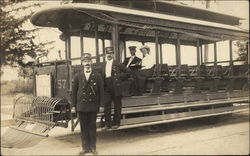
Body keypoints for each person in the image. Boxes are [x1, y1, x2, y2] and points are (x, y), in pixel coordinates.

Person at [72, 53, 104, 155]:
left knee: (92, 127)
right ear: (82, 63)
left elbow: (101, 92)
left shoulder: (97, 76)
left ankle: (93, 148)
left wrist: (102, 105)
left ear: (91, 62)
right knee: (83, 128)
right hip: (81, 106)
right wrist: (73, 106)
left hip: (93, 106)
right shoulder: (78, 76)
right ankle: (85, 148)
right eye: (85, 61)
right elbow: (74, 92)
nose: (87, 63)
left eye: (89, 61)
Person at [103, 47, 130, 129]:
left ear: (113, 54)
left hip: (116, 87)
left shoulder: (118, 64)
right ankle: (107, 124)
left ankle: (116, 123)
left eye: (111, 53)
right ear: (105, 54)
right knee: (106, 105)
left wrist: (119, 78)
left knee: (117, 106)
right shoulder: (104, 64)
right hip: (107, 87)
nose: (109, 55)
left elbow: (128, 72)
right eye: (108, 54)